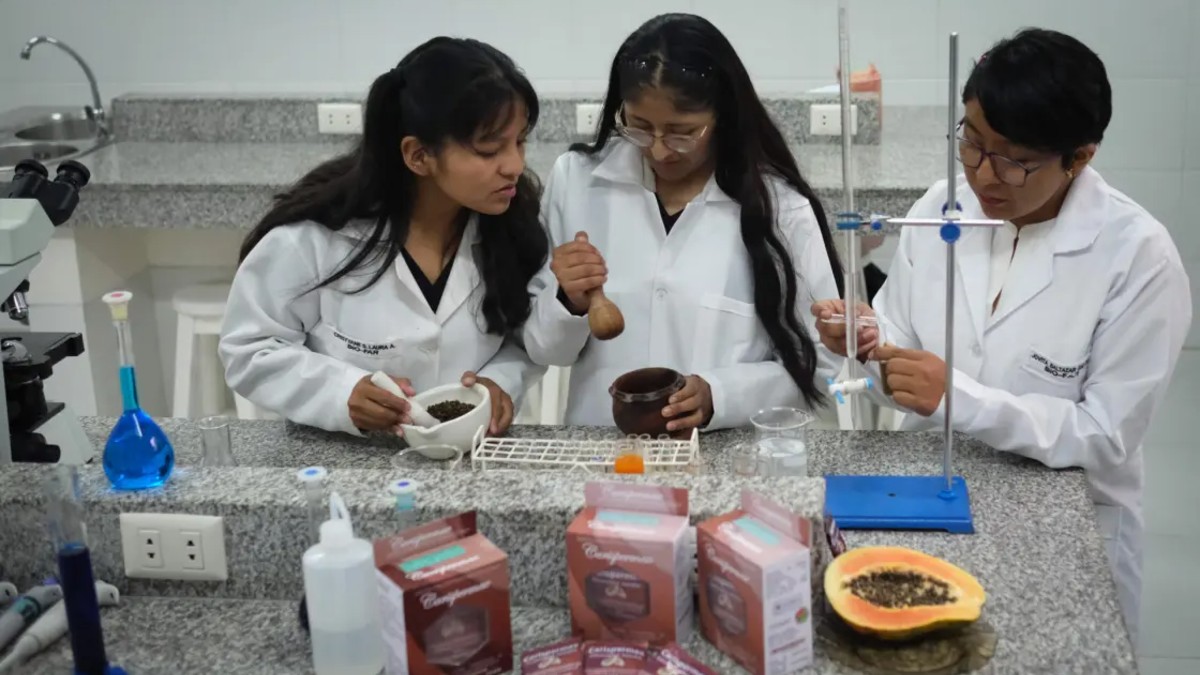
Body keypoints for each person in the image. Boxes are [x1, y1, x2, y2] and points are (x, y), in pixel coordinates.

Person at [812, 28, 1191, 641]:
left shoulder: (1138, 259)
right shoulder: (943, 205)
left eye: (1014, 158)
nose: (983, 175)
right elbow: (899, 341)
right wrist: (865, 341)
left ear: (1081, 155)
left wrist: (959, 398)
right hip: (924, 496)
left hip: (1060, 522)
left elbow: (1105, 436)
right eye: (971, 142)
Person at [522, 13, 844, 432]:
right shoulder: (578, 181)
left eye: (682, 132)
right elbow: (542, 349)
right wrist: (567, 302)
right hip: (604, 453)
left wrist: (720, 395)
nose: (658, 151)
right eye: (639, 127)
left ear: (723, 117)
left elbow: (826, 366)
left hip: (729, 460)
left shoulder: (781, 208)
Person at [220, 37, 548, 437]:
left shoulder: (515, 227)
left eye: (520, 141)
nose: (514, 165)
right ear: (418, 155)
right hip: (347, 464)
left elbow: (527, 337)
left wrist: (501, 382)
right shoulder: (317, 239)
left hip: (474, 453)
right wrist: (340, 394)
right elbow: (251, 348)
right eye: (489, 150)